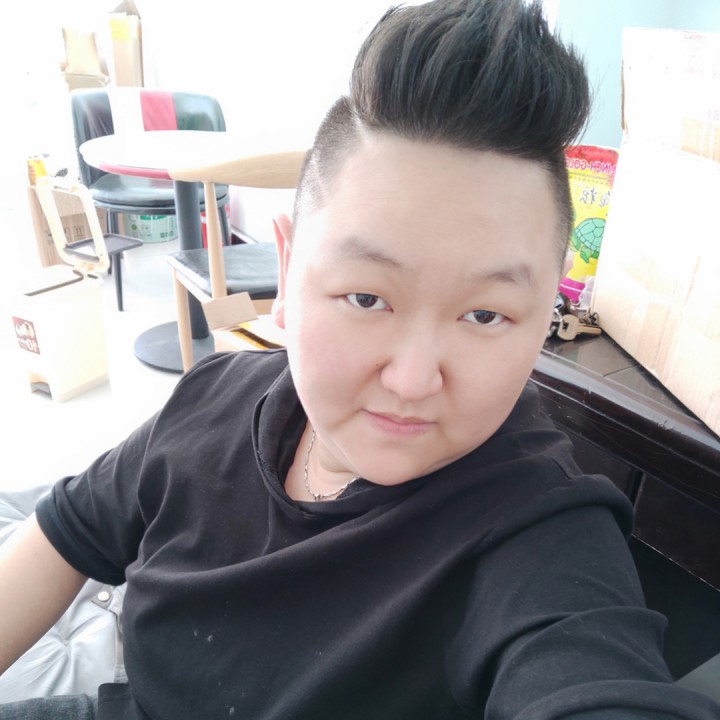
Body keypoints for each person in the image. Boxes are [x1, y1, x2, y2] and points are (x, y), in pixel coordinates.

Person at [1, 1, 719, 718]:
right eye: (367, 298)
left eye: (484, 314)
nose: (412, 380)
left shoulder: (539, 531)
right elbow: (69, 530)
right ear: (287, 272)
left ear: (545, 315)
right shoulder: (211, 396)